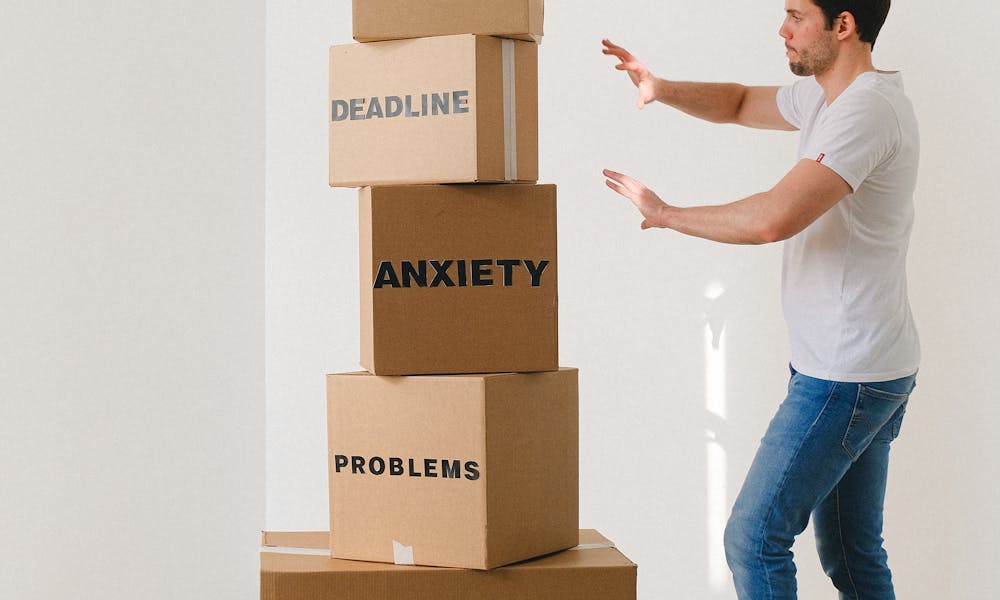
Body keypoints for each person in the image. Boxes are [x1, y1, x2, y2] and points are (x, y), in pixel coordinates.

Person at [602, 1, 919, 598]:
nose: (783, 29)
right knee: (852, 552)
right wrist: (660, 86)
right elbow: (742, 101)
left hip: (844, 373)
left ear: (843, 25)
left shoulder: (867, 112)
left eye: (797, 16)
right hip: (860, 363)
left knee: (753, 541)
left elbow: (775, 218)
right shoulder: (828, 96)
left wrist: (667, 214)